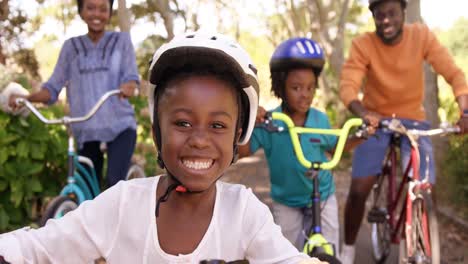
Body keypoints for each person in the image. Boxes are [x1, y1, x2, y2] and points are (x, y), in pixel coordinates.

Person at [0, 32, 329, 263]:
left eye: (217, 126)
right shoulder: (122, 204)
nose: (199, 140)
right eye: (183, 123)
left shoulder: (243, 212)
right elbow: (39, 248)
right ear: (157, 132)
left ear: (238, 135)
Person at [338, 0, 468, 263]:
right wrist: (364, 114)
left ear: (403, 12)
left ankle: (421, 232)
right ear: (373, 16)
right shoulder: (363, 44)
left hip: (413, 121)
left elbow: (453, 74)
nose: (386, 20)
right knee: (360, 188)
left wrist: (464, 111)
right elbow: (348, 87)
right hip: (376, 119)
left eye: (392, 13)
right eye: (379, 14)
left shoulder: (421, 35)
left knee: (424, 182)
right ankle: (348, 249)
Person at [238, 37, 364, 261]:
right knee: (288, 254)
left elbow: (337, 147)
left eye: (310, 88)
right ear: (280, 87)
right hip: (287, 202)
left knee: (328, 249)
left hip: (322, 195)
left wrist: (360, 136)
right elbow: (243, 152)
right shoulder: (271, 122)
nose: (305, 94)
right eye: (296, 88)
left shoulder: (320, 119)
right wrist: (249, 121)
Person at [8, 0, 139, 188]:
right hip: (85, 128)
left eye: (103, 9)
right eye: (90, 8)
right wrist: (26, 98)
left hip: (120, 126)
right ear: (81, 11)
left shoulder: (122, 41)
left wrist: (129, 86)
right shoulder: (71, 48)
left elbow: (131, 77)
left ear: (110, 13)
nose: (97, 14)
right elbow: (52, 88)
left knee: (114, 184)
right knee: (87, 188)